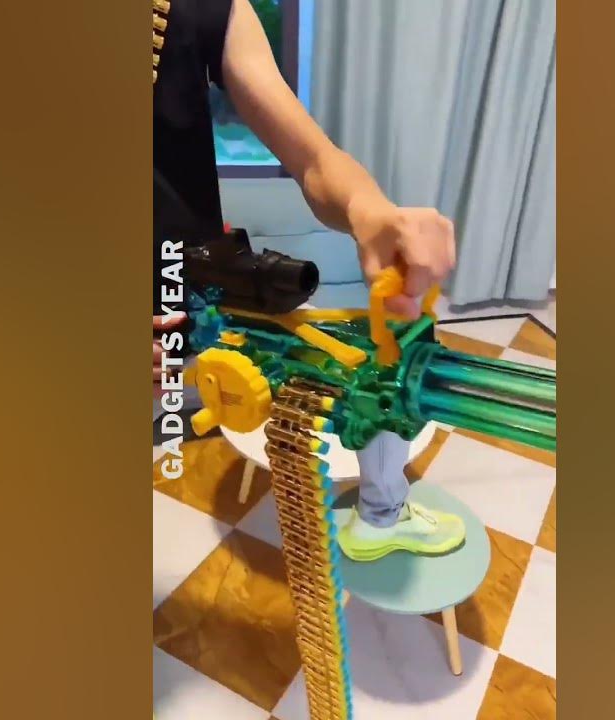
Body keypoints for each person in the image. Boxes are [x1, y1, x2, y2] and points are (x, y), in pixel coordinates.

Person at [153, 0, 464, 561]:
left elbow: (315, 159)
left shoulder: (203, 9)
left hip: (190, 295)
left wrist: (370, 209)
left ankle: (382, 514)